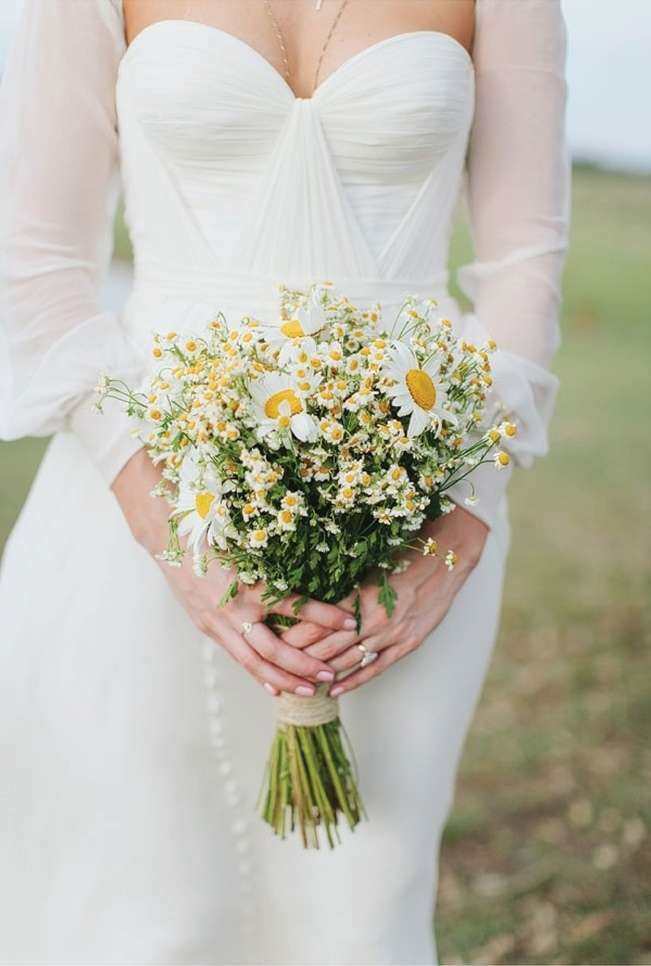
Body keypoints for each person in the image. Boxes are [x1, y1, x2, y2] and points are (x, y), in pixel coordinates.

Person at [0, 1, 570, 962]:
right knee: (132, 895)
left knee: (359, 901)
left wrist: (457, 525)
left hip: (414, 507)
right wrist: (177, 537)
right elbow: (40, 261)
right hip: (133, 491)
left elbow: (525, 267)